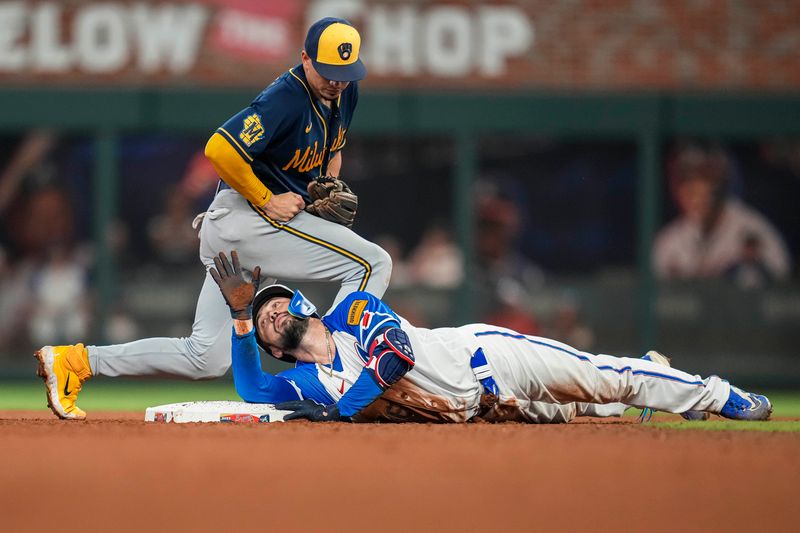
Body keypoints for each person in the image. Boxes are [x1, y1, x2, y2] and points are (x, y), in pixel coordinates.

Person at [34, 18, 392, 420]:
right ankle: (336, 366)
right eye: (329, 73)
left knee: (206, 357)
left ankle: (77, 362)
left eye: (345, 74)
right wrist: (267, 198)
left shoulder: (345, 93)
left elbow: (333, 149)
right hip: (245, 218)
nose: (337, 82)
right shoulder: (285, 99)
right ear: (306, 58)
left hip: (248, 238)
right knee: (373, 262)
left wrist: (326, 184)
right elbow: (219, 148)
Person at [208, 250, 772, 424]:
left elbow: (396, 358)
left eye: (276, 304)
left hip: (488, 357)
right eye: (264, 321)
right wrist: (238, 321)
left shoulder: (353, 309)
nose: (272, 315)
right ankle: (664, 383)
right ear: (275, 347)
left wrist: (341, 415)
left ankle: (719, 395)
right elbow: (254, 392)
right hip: (485, 411)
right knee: (586, 413)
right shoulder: (308, 379)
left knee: (607, 380)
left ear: (302, 304)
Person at [653, 142, 791, 281]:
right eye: (688, 180)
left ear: (723, 182)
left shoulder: (756, 231)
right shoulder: (669, 241)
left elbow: (780, 292)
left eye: (706, 179)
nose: (697, 189)